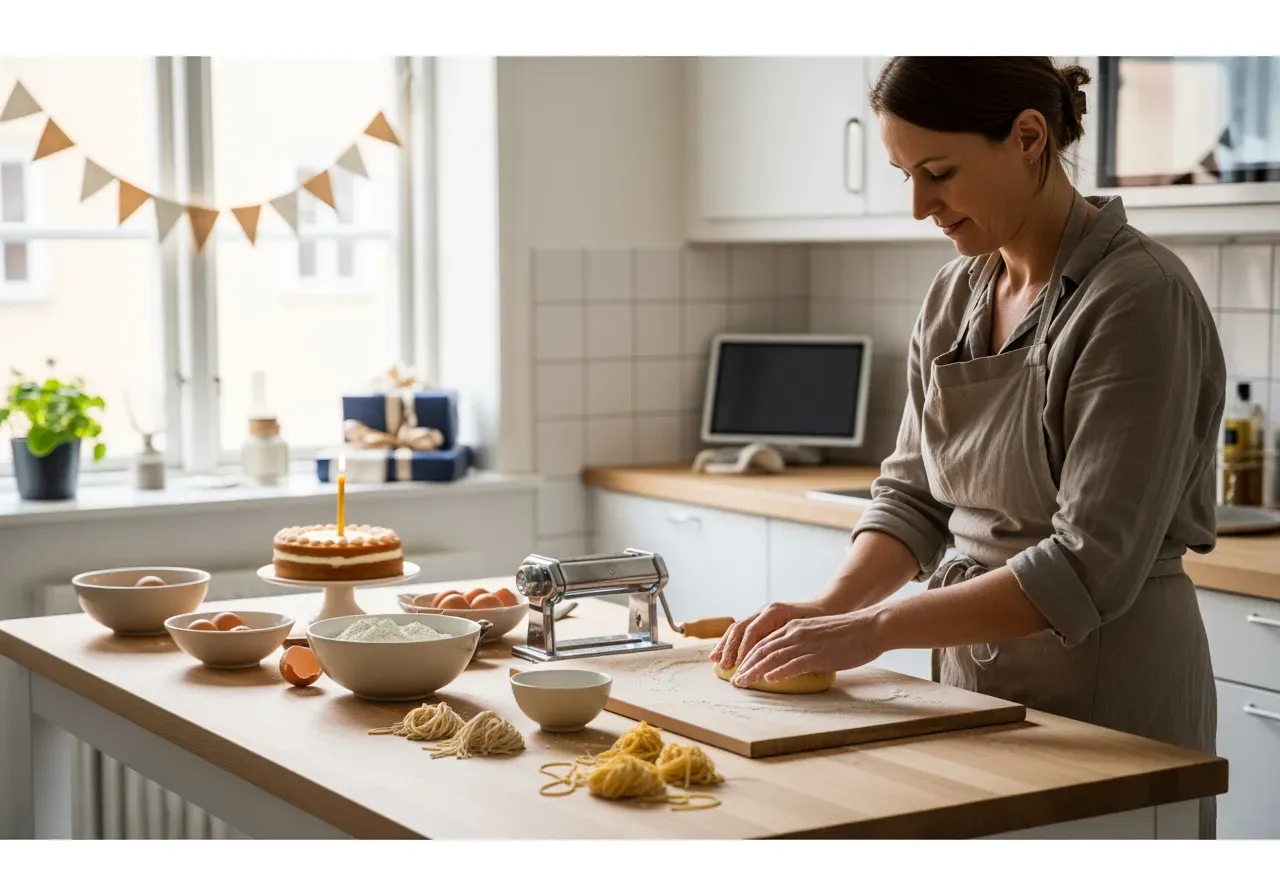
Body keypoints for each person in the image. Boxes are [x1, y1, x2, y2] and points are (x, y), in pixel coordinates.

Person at [709, 57, 1224, 837]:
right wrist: (828, 608)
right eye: (904, 175)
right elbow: (913, 497)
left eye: (939, 172)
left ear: (1027, 137)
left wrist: (874, 629)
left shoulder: (1137, 298)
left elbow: (1087, 563)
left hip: (1111, 702)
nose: (920, 206)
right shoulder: (955, 294)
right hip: (969, 687)